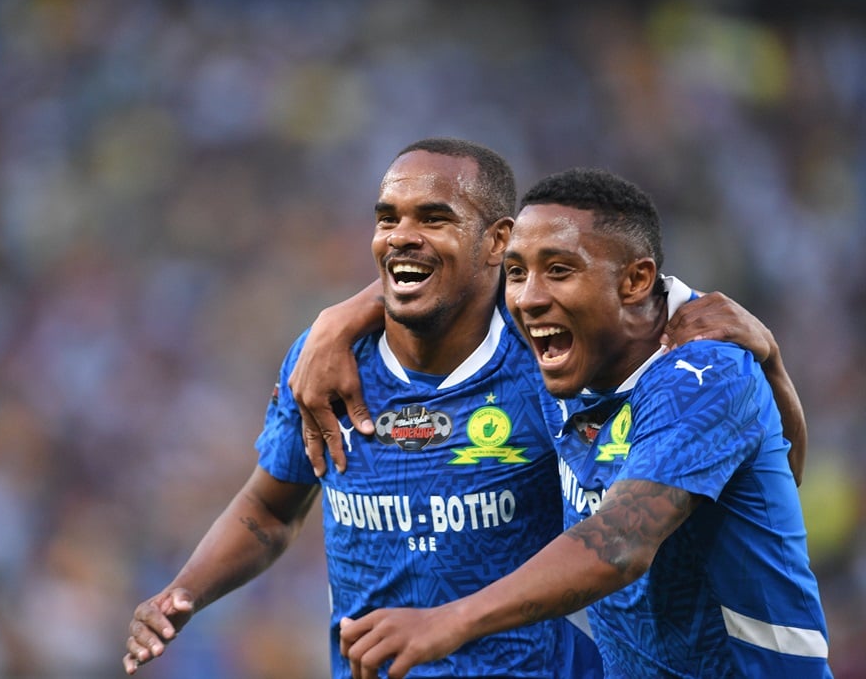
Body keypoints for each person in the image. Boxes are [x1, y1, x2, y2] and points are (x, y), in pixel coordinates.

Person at [123, 138, 604, 677]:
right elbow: (271, 510)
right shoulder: (327, 360)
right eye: (387, 218)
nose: (401, 237)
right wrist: (183, 591)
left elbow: (612, 541)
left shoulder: (550, 361)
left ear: (497, 242)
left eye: (433, 218)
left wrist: (686, 307)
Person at [333, 168, 832, 678]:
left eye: (559, 269)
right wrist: (337, 323)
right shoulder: (567, 340)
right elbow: (442, 279)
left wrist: (451, 621)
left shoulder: (702, 371)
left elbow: (619, 544)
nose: (527, 298)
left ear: (635, 280)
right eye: (517, 271)